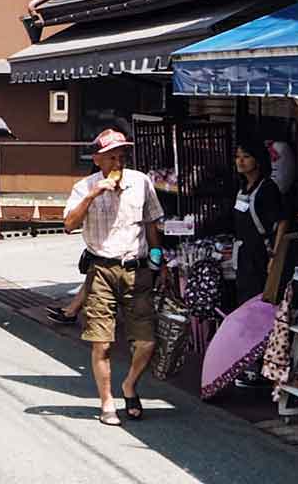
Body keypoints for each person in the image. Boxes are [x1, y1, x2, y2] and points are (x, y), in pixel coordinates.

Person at [62, 128, 166, 426]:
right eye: (111, 157)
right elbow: (69, 224)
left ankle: (129, 384)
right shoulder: (85, 187)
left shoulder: (141, 182)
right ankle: (107, 401)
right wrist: (95, 194)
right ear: (97, 159)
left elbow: (151, 222)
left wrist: (158, 257)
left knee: (146, 342)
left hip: (137, 268)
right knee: (102, 342)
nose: (118, 162)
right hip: (101, 269)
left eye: (121, 156)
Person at [232, 136, 285, 306]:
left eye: (246, 156)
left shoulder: (268, 188)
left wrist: (275, 258)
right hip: (243, 255)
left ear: (258, 160)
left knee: (259, 302)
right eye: (238, 156)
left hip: (261, 255)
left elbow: (282, 221)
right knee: (244, 302)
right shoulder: (242, 188)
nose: (240, 161)